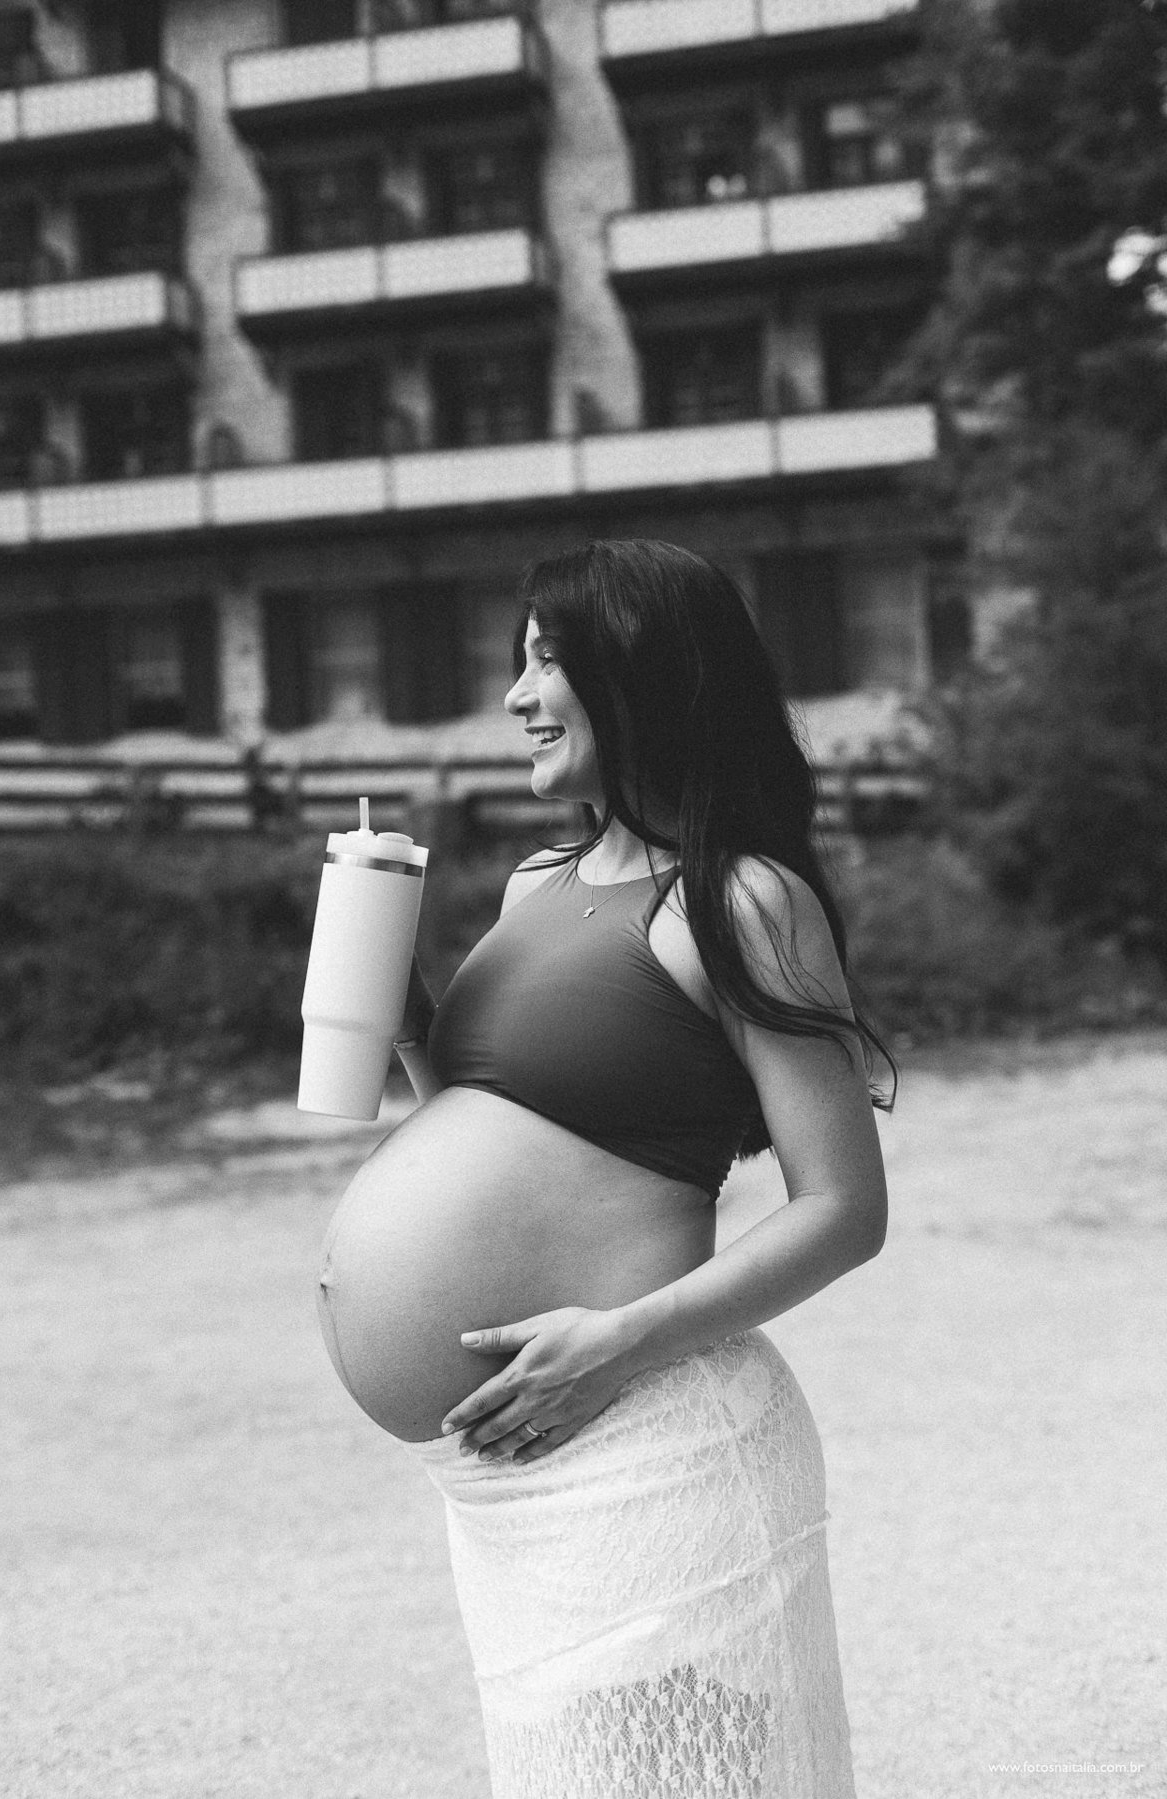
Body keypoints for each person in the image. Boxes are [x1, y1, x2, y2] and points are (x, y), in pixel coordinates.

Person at [315, 538, 893, 1798]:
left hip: (647, 1445)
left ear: (638, 674)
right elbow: (487, 1120)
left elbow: (846, 1209)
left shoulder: (740, 899)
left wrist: (620, 1341)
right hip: (512, 1478)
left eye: (544, 658)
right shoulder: (536, 882)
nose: (515, 694)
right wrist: (406, 1017)